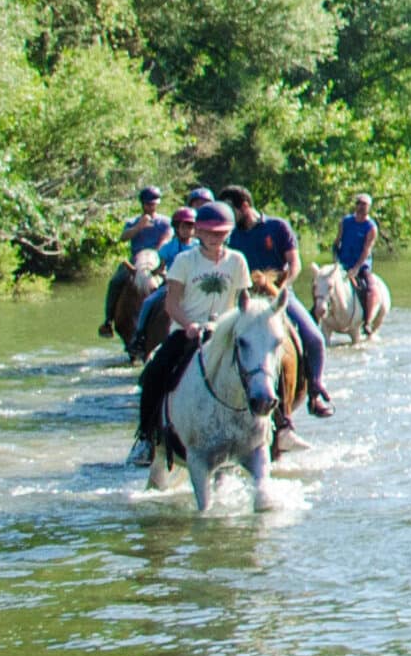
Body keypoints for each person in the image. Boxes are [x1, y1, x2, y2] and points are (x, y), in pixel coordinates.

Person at [127, 201, 253, 464]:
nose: (215, 238)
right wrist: (189, 325)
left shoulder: (238, 261)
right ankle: (146, 439)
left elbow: (244, 301)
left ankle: (273, 431)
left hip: (224, 334)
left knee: (258, 372)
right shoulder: (185, 261)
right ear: (198, 233)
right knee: (152, 375)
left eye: (221, 233)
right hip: (187, 333)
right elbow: (171, 303)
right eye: (209, 232)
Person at [219, 185, 333, 417]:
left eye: (231, 210)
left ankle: (315, 392)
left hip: (277, 296)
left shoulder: (277, 227)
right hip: (245, 300)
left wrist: (282, 288)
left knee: (314, 339)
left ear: (245, 206)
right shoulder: (229, 236)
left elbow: (295, 264)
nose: (228, 217)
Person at [100, 185, 172, 336]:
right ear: (142, 204)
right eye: (148, 204)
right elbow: (123, 237)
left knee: (172, 282)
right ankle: (108, 321)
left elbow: (167, 238)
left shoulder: (165, 222)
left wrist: (159, 252)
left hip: (157, 260)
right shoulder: (133, 221)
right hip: (136, 261)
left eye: (153, 203)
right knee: (115, 282)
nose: (151, 207)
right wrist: (139, 227)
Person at [124, 206, 197, 348]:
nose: (187, 230)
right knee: (148, 302)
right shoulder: (168, 248)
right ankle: (139, 337)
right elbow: (161, 267)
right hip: (173, 284)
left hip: (195, 284)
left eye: (190, 227)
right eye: (184, 227)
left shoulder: (198, 246)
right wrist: (154, 273)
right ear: (176, 228)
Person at [333, 193, 381, 329]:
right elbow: (337, 242)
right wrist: (335, 260)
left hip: (361, 266)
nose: (360, 207)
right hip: (343, 263)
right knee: (325, 284)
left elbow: (366, 250)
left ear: (369, 207)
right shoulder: (345, 222)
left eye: (364, 204)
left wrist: (356, 269)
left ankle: (368, 321)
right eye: (358, 203)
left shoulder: (371, 227)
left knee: (371, 288)